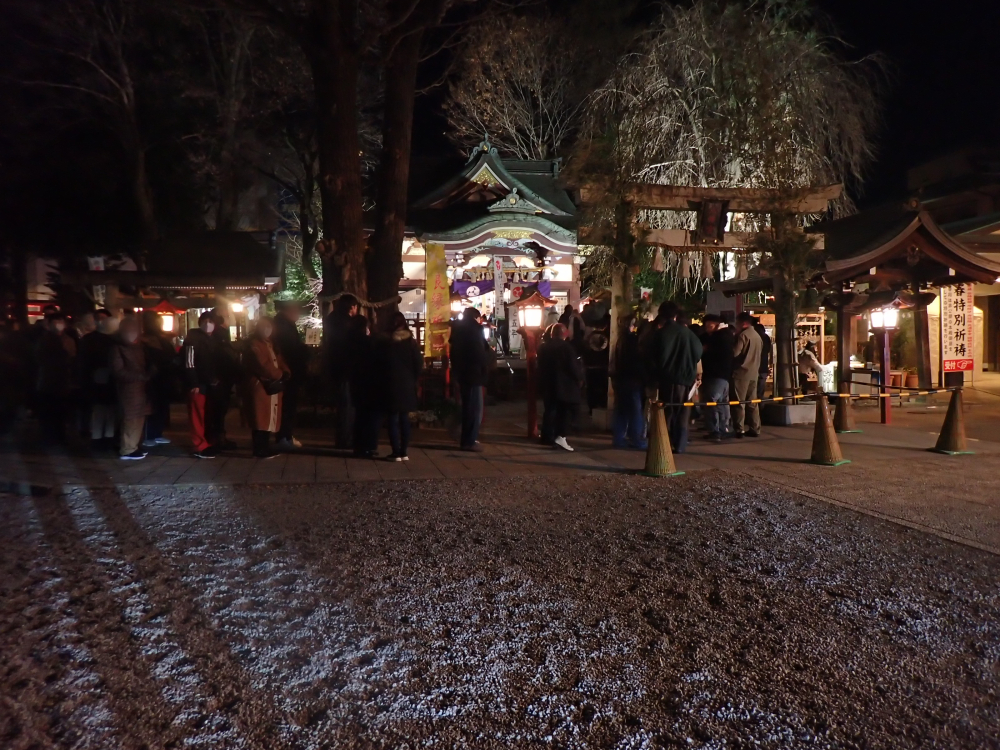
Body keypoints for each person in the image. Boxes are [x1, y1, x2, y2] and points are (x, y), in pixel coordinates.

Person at [645, 301, 703, 453]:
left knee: (668, 411)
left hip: (668, 378)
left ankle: (666, 443)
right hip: (687, 379)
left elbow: (652, 357)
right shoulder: (688, 334)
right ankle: (681, 444)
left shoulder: (660, 334)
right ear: (676, 315)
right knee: (683, 412)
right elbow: (698, 353)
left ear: (661, 315)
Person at [242, 316, 290, 458]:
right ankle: (259, 449)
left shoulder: (272, 344)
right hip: (260, 387)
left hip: (271, 388)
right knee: (260, 419)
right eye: (264, 326)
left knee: (267, 418)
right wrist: (279, 374)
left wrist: (286, 372)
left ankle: (264, 447)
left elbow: (280, 361)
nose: (266, 329)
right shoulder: (254, 345)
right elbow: (263, 365)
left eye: (269, 326)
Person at [380, 312, 423, 461]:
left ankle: (395, 452)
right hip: (407, 383)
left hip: (391, 383)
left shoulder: (386, 342)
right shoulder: (410, 342)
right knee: (404, 418)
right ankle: (404, 452)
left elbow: (381, 364)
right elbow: (418, 363)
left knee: (392, 418)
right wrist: (414, 379)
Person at [449, 308, 491, 451]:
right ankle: (469, 441)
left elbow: (454, 352)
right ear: (476, 317)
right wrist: (485, 368)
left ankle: (466, 439)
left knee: (467, 407)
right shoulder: (475, 329)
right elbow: (479, 353)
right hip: (473, 373)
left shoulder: (457, 329)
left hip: (461, 372)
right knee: (474, 408)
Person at [538, 323, 585, 451]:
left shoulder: (543, 347)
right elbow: (573, 367)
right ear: (565, 334)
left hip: (548, 383)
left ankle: (547, 436)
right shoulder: (566, 348)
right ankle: (560, 436)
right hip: (563, 385)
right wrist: (580, 378)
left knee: (549, 410)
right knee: (563, 411)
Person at [110, 317, 150, 460]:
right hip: (128, 389)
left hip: (141, 388)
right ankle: (127, 448)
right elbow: (118, 371)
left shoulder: (140, 346)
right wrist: (139, 376)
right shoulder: (117, 348)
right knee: (130, 418)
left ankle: (135, 445)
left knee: (139, 418)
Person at [78, 309, 118, 450]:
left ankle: (99, 437)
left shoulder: (88, 340)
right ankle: (105, 437)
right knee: (106, 410)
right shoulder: (113, 341)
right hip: (104, 379)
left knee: (102, 410)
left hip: (98, 379)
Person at [34, 312, 75, 444]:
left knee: (60, 410)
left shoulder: (68, 340)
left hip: (63, 380)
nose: (58, 325)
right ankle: (49, 436)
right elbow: (39, 358)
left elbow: (73, 358)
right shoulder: (43, 340)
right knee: (48, 410)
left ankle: (59, 435)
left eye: (60, 321)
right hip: (47, 379)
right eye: (55, 322)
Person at [324, 294, 359, 449]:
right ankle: (345, 439)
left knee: (342, 405)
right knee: (347, 405)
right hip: (347, 368)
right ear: (352, 307)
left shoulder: (331, 319)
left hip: (335, 366)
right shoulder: (348, 323)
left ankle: (342, 438)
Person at [183, 311, 220, 458]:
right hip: (198, 384)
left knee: (207, 414)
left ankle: (207, 442)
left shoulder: (213, 339)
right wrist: (194, 383)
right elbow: (189, 363)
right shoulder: (193, 339)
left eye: (211, 321)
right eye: (205, 321)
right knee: (197, 414)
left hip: (211, 383)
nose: (207, 324)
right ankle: (199, 445)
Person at [273, 301, 309, 450]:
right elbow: (289, 349)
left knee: (288, 406)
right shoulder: (284, 326)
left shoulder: (284, 324)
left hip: (290, 370)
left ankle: (286, 435)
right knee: (287, 406)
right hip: (288, 371)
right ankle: (284, 436)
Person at [609, 314, 647, 450]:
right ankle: (636, 439)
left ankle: (618, 438)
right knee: (635, 411)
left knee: (621, 410)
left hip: (620, 379)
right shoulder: (632, 341)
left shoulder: (620, 339)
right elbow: (636, 361)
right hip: (632, 379)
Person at [140, 310, 176, 447]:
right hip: (152, 377)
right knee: (151, 406)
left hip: (164, 376)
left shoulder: (161, 338)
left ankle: (157, 433)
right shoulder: (144, 340)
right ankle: (149, 435)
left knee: (161, 405)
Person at [347, 314, 380, 458]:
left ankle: (358, 446)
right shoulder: (369, 342)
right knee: (371, 416)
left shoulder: (348, 342)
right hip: (370, 382)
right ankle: (369, 446)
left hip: (356, 382)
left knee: (359, 415)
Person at [700, 314, 735, 442]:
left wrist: (705, 350)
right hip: (724, 375)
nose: (706, 327)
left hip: (715, 374)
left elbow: (709, 354)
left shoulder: (717, 337)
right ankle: (724, 428)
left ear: (715, 324)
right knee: (722, 403)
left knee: (713, 403)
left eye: (708, 324)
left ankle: (716, 431)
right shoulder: (727, 335)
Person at [731, 311, 764, 438]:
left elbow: (735, 353)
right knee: (752, 402)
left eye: (737, 322)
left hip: (742, 372)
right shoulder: (757, 336)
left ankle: (739, 429)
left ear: (743, 323)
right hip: (754, 372)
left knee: (739, 403)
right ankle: (755, 428)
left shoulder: (743, 336)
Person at [211, 313, 240, 451]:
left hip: (223, 378)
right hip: (221, 378)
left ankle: (219, 437)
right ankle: (217, 438)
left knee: (220, 411)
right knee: (218, 411)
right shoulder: (219, 336)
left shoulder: (220, 335)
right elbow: (224, 357)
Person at [754, 319, 772, 400]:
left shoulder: (755, 337)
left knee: (753, 389)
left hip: (755, 366)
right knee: (761, 388)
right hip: (763, 366)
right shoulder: (766, 338)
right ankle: (760, 403)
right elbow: (768, 350)